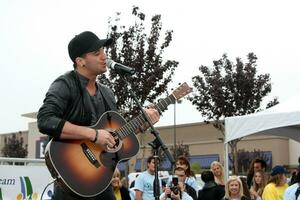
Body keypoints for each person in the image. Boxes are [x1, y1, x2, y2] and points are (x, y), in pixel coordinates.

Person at [37, 31, 160, 200]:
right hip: (71, 182)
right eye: (97, 53)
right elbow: (45, 120)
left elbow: (113, 138)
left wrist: (140, 126)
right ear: (80, 62)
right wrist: (94, 134)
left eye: (103, 51)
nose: (104, 56)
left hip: (101, 180)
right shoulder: (65, 84)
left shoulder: (107, 93)